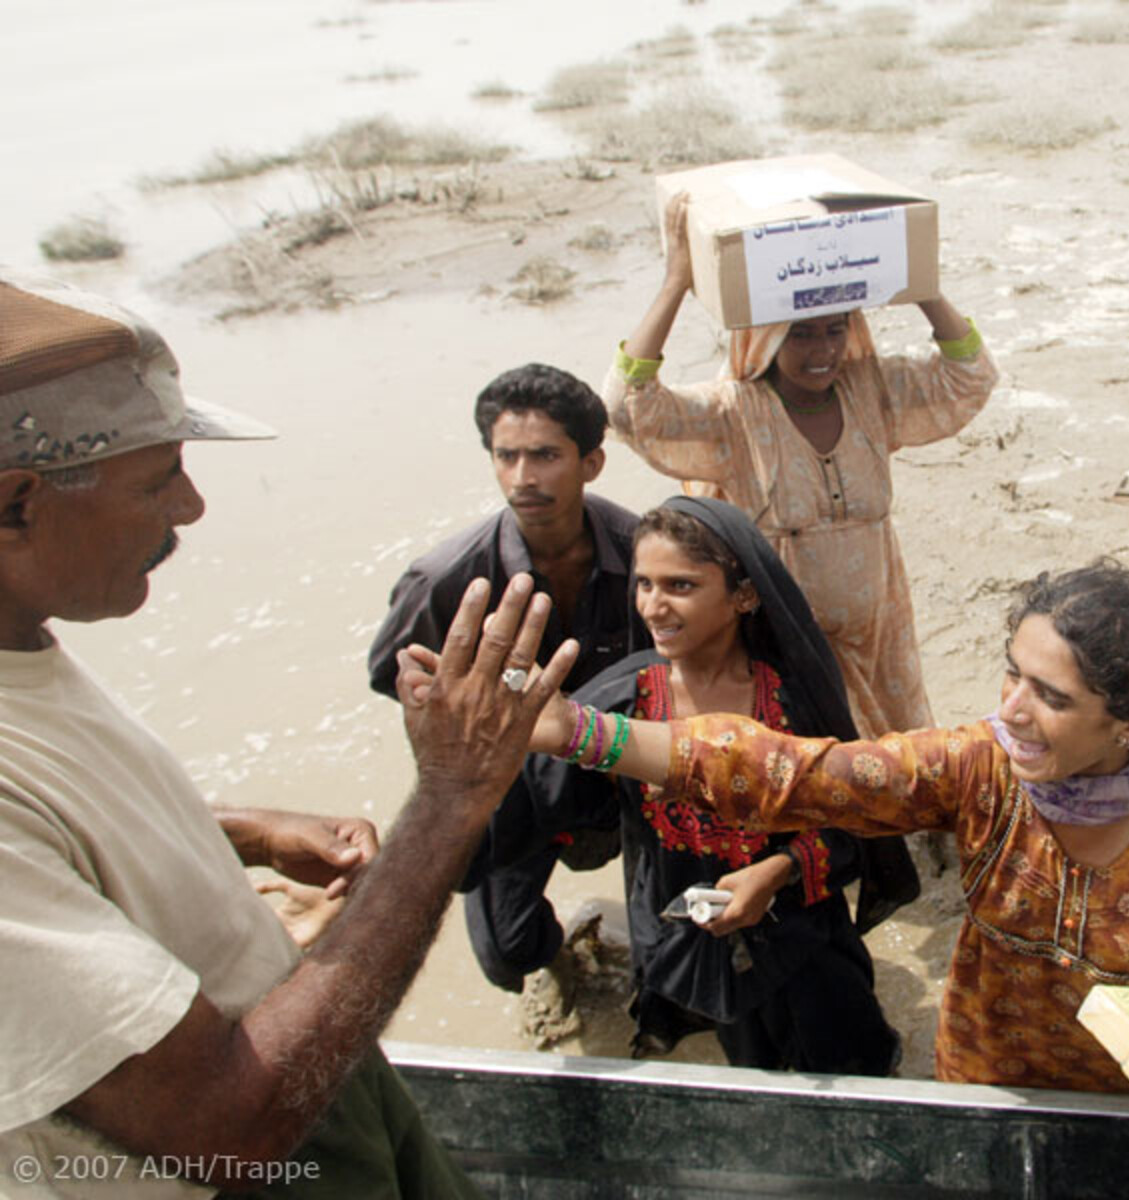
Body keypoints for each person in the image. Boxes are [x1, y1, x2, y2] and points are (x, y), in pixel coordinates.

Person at [0, 268, 573, 1196]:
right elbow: (224, 1126)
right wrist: (452, 799)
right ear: (17, 504)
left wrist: (238, 831)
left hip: (323, 1078)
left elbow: (58, 821)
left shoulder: (21, 644)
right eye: (160, 480)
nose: (190, 509)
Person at [410, 559, 1129, 1091]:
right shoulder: (979, 770)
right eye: (1012, 675)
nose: (1013, 711)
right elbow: (799, 773)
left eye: (1052, 697)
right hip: (994, 1081)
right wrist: (580, 731)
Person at [460, 496, 909, 1072]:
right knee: (756, 1069)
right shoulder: (622, 702)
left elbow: (850, 821)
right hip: (696, 939)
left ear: (743, 596)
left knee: (856, 1058)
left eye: (680, 585)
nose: (653, 605)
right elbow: (533, 803)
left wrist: (777, 871)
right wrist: (470, 772)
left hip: (806, 935)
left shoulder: (792, 699)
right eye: (643, 583)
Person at [601, 192, 1000, 736]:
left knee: (891, 768)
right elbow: (628, 407)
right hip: (785, 640)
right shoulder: (733, 414)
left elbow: (970, 375)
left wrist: (921, 284)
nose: (823, 350)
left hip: (878, 633)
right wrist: (675, 282)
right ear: (765, 338)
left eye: (836, 329)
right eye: (801, 333)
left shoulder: (871, 390)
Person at [368, 362, 643, 991]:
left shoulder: (641, 550)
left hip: (622, 763)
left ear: (591, 463)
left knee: (682, 921)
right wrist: (442, 697)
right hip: (511, 780)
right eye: (506, 456)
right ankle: (565, 959)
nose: (523, 478)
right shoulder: (445, 580)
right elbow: (393, 673)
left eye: (545, 455)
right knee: (508, 952)